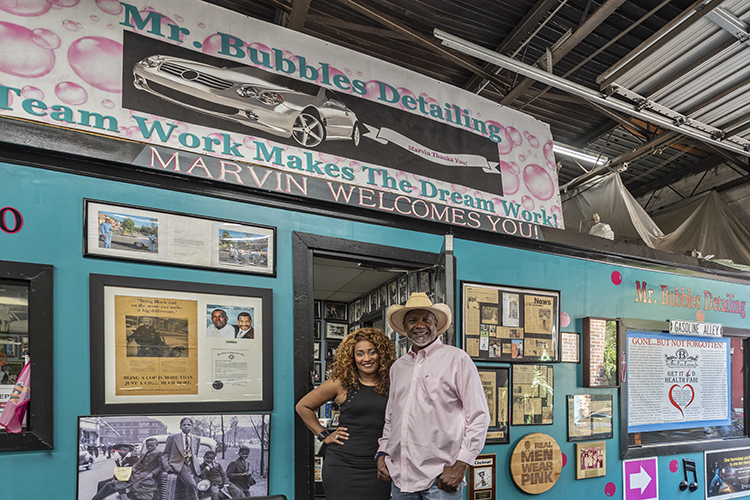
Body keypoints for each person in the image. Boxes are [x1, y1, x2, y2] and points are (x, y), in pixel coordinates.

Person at [377, 292, 490, 499]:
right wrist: (383, 452)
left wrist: (462, 463)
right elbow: (391, 417)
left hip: (441, 478)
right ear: (405, 327)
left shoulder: (457, 359)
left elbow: (479, 416)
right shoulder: (398, 367)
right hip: (401, 477)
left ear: (436, 323)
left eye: (425, 319)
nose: (419, 325)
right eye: (412, 320)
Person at [296, 327, 395, 500]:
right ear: (352, 357)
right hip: (343, 465)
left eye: (372, 352)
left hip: (378, 466)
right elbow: (303, 406)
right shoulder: (340, 384)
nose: (366, 358)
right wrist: (324, 435)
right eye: (360, 353)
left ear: (382, 354)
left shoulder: (394, 383)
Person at [161, 417, 202, 500]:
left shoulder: (196, 439)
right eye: (184, 425)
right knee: (192, 485)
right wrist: (167, 467)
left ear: (192, 427)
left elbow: (195, 453)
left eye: (188, 425)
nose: (186, 426)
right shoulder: (173, 438)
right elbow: (165, 454)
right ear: (180, 427)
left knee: (192, 487)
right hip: (180, 465)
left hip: (193, 466)